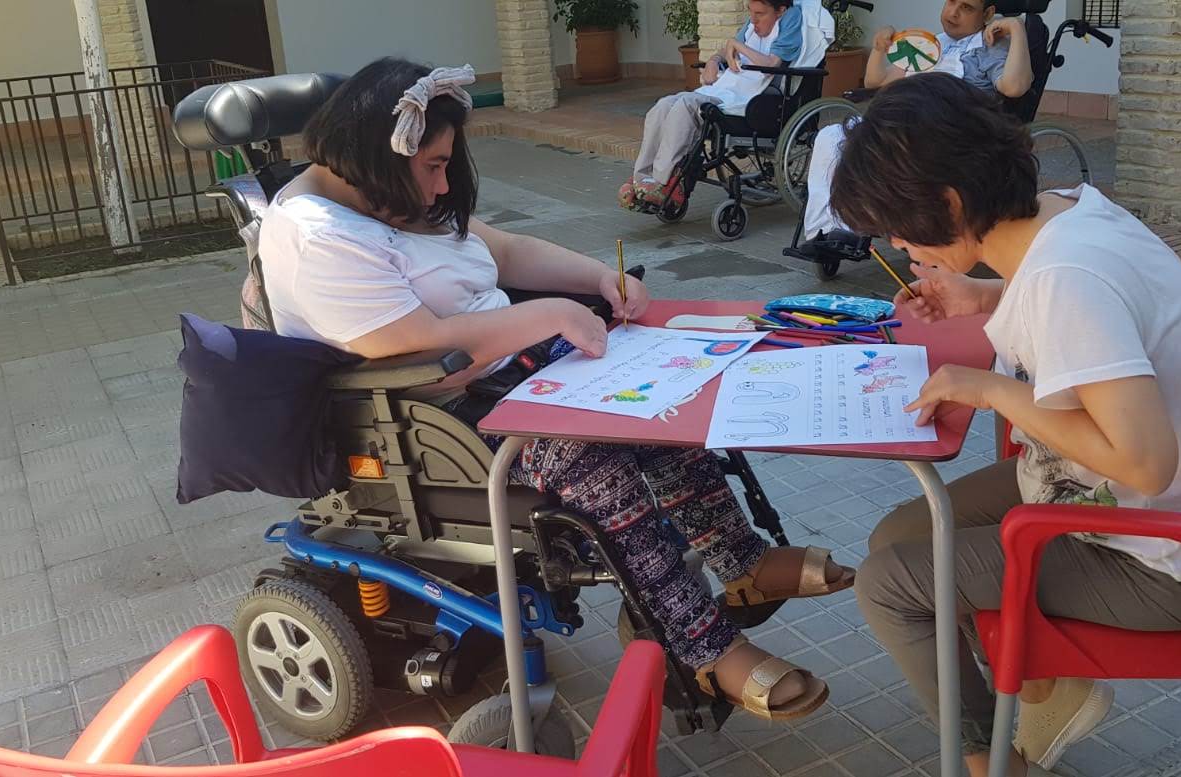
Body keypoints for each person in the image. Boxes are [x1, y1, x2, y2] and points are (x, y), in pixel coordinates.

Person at [255, 57, 854, 721]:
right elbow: (423, 345)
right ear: (380, 155)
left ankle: (740, 561)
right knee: (592, 457)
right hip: (436, 417)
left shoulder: (386, 197)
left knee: (657, 409)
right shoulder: (316, 237)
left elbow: (503, 253)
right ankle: (704, 647)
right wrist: (547, 315)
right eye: (433, 165)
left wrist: (598, 279)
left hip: (508, 379)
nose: (443, 182)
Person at [830, 74, 1181, 777]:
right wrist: (981, 292)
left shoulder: (1066, 280)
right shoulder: (1069, 215)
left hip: (1165, 555)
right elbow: (1080, 314)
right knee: (901, 536)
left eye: (900, 227)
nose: (901, 245)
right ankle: (1041, 685)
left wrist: (993, 389)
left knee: (888, 582)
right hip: (1112, 498)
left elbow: (1145, 463)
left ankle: (987, 761)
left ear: (951, 203)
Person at [800, 0, 1031, 243]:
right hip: (902, 125)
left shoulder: (989, 48)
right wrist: (880, 48)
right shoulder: (929, 43)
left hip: (948, 133)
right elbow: (876, 81)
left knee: (886, 146)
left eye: (967, 7)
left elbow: (1015, 86)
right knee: (831, 136)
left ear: (988, 14)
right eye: (951, 2)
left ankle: (874, 215)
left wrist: (1016, 29)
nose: (953, 13)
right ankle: (826, 232)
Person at [620, 0, 803, 211]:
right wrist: (714, 61)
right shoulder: (754, 25)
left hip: (748, 99)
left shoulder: (791, 19)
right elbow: (728, 49)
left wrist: (737, 46)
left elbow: (772, 64)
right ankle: (641, 177)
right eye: (751, 12)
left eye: (760, 14)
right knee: (663, 105)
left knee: (686, 106)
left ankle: (663, 182)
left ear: (780, 11)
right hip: (724, 89)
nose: (753, 20)